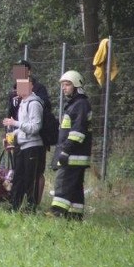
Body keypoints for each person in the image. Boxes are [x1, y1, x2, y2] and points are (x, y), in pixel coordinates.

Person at [6, 59, 51, 203]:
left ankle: (33, 204)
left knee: (36, 173)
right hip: (19, 138)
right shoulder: (13, 92)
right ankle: (16, 203)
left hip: (36, 140)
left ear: (29, 72)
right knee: (19, 173)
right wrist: (8, 138)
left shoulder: (38, 90)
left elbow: (42, 113)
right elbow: (10, 117)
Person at [49, 70, 92, 220]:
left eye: (67, 85)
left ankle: (56, 212)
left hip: (73, 155)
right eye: (62, 85)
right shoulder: (76, 104)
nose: (64, 88)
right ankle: (75, 217)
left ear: (76, 86)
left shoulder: (79, 105)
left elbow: (77, 132)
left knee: (63, 183)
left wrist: (65, 151)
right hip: (76, 155)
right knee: (75, 189)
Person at [2, 78, 44, 211]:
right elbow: (23, 126)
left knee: (29, 179)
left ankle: (31, 208)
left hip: (32, 147)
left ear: (31, 86)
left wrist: (15, 123)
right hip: (22, 145)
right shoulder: (23, 103)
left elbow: (35, 127)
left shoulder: (34, 104)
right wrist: (11, 136)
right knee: (18, 177)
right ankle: (14, 206)